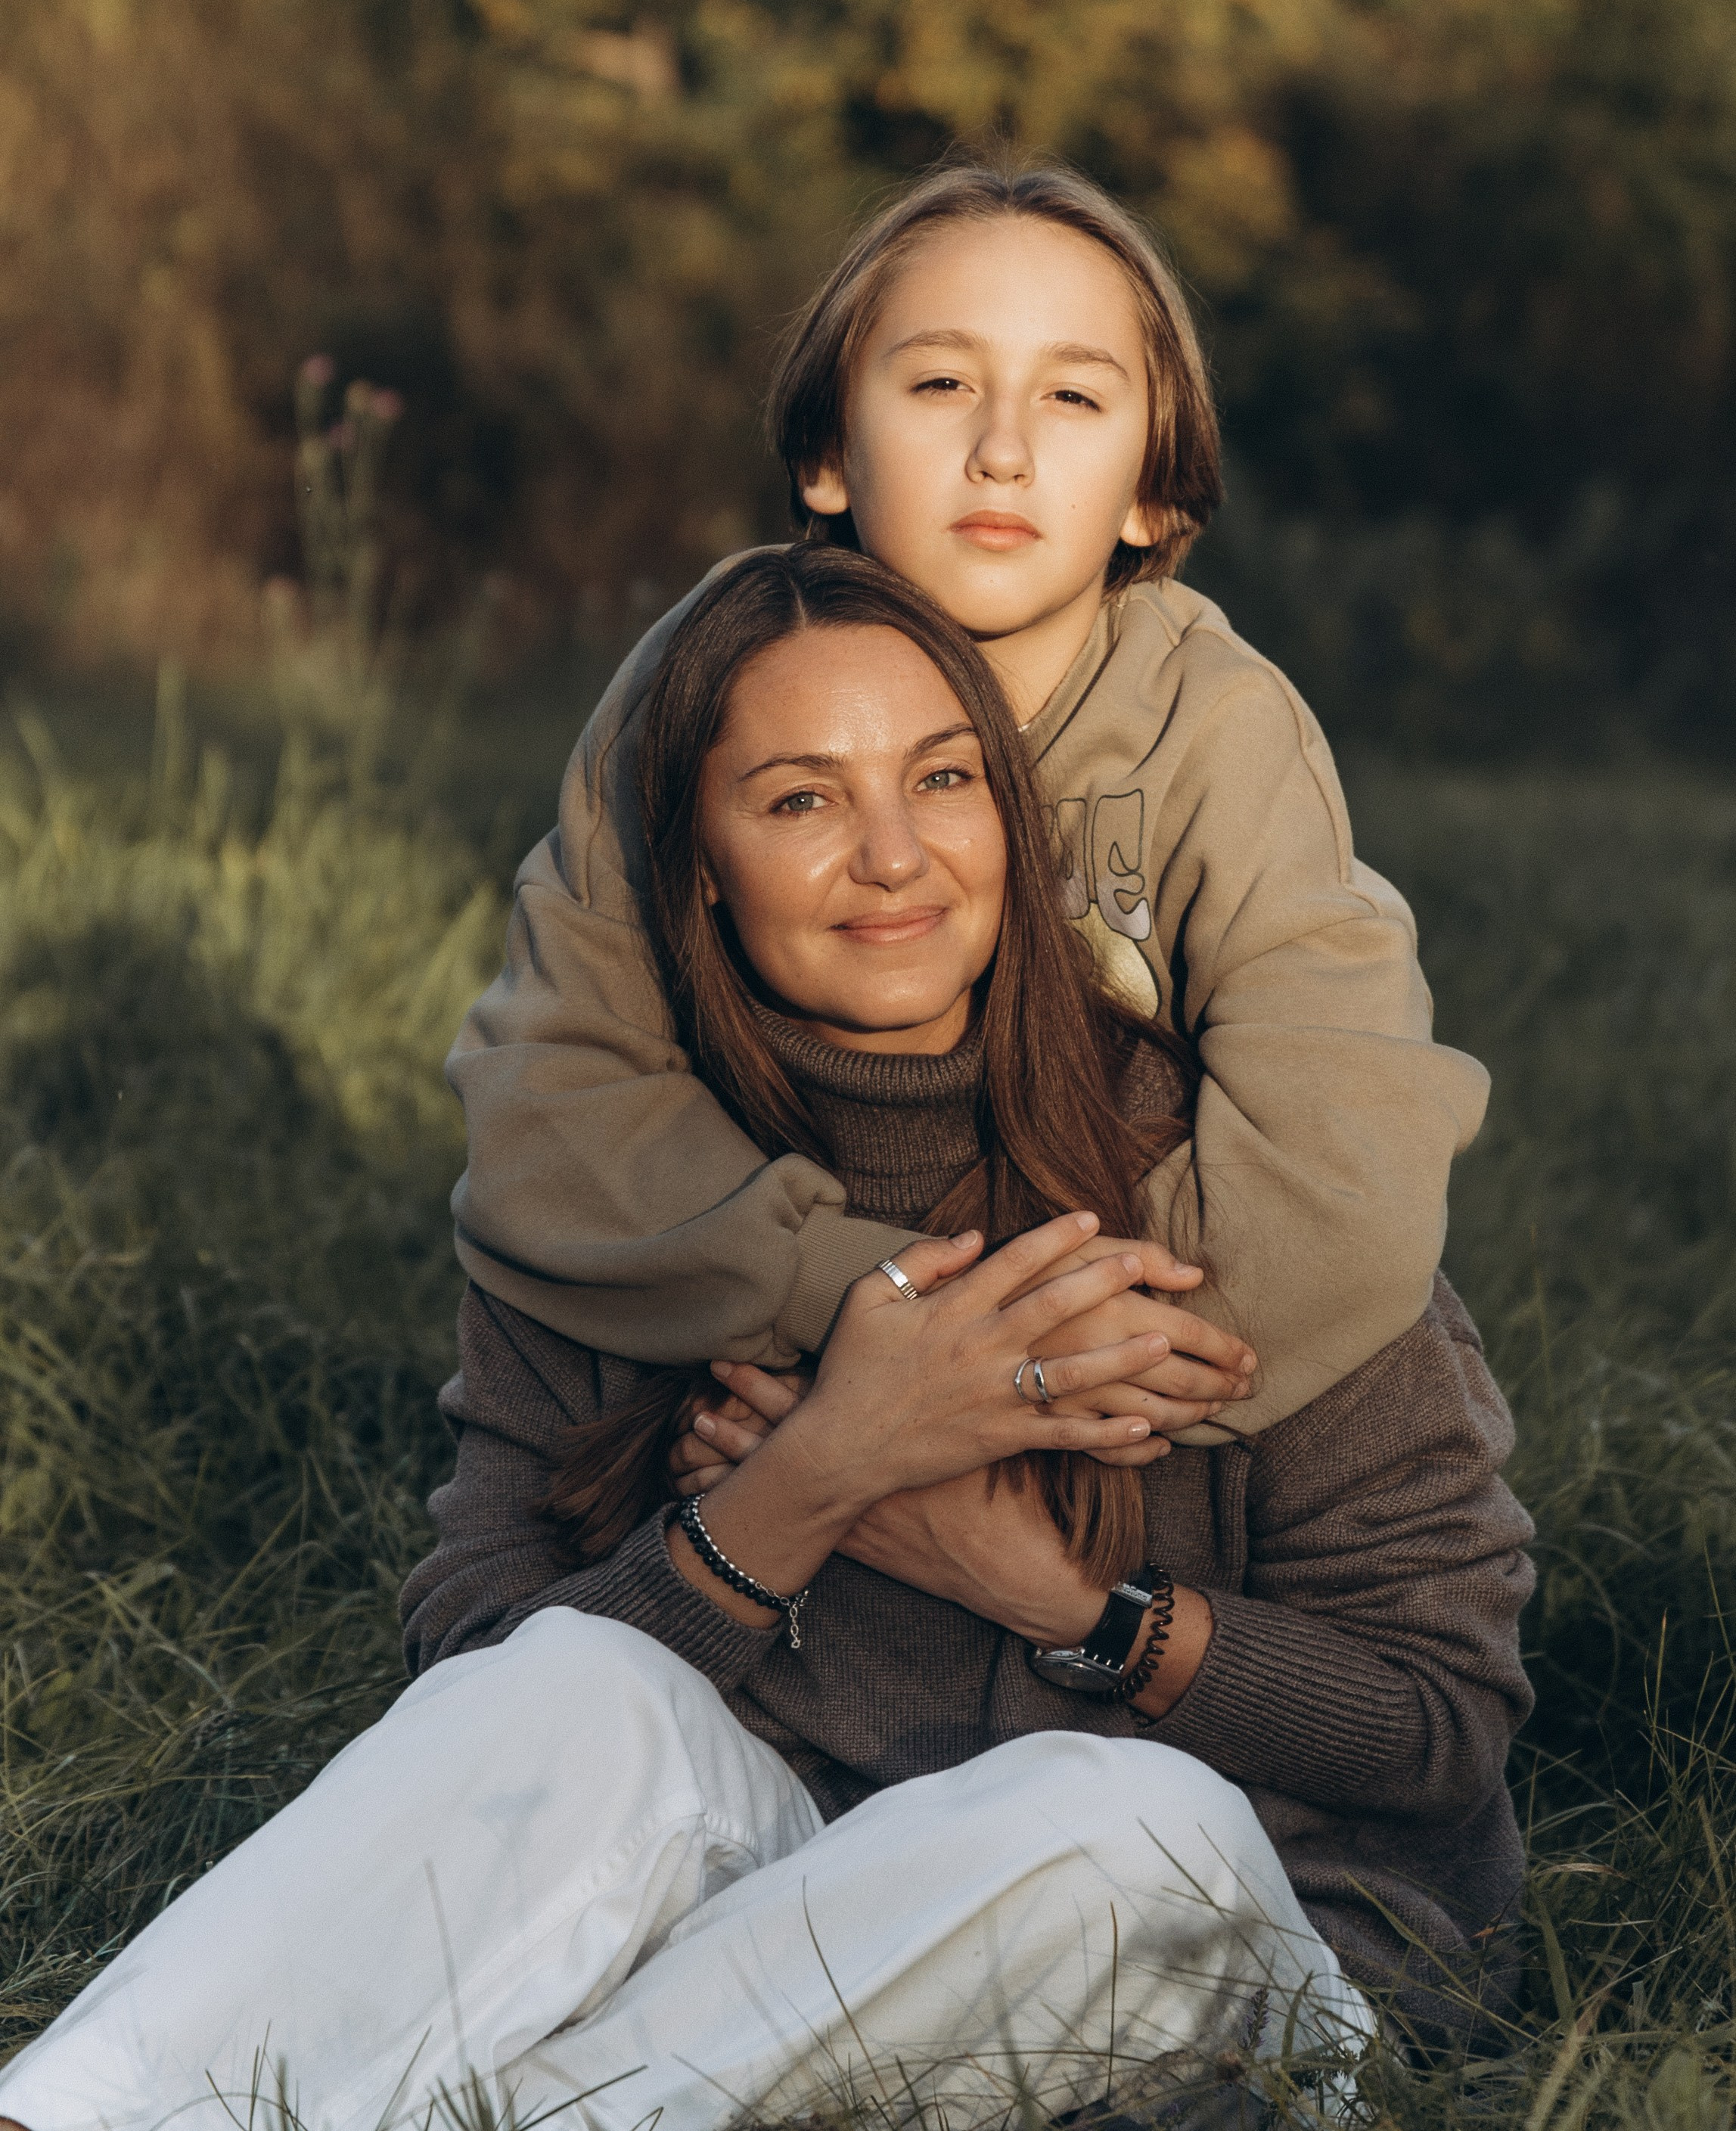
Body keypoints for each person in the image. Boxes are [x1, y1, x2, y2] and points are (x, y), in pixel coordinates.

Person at [0, 553, 1534, 2131]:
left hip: (1230, 1957)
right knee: (576, 1682)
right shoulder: (621, 1192)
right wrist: (817, 1477)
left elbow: (1436, 1725)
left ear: (1012, 815)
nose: (891, 856)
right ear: (699, 867)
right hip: (772, 1937)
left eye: (941, 779)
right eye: (801, 801)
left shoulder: (1242, 1189)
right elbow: (475, 1703)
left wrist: (1056, 1596)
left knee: (1114, 1814)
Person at [446, 159, 1491, 1443]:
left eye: (1072, 396)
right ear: (829, 452)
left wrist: (1046, 1373)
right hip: (789, 1341)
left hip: (1134, 1392)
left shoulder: (1215, 725)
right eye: (941, 384)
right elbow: (554, 1090)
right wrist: (872, 1319)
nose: (1003, 450)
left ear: (1154, 486)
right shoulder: (705, 674)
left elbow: (1348, 1136)